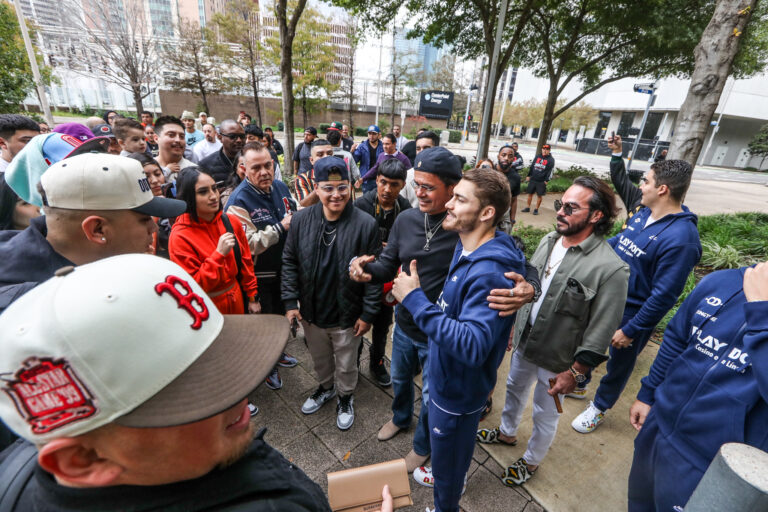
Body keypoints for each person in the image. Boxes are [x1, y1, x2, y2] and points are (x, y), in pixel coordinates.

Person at [0, 254, 332, 511]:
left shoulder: (16, 472)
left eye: (222, 362)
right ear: (83, 460)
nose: (242, 394)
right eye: (190, 394)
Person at [349, 147, 538, 473]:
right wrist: (366, 270)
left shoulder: (466, 227)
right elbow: (389, 264)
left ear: (453, 189)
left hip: (442, 338)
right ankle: (399, 417)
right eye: (416, 184)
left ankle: (421, 447)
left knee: (434, 397)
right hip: (406, 325)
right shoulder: (406, 218)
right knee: (400, 379)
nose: (417, 192)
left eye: (428, 187)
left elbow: (515, 256)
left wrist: (530, 287)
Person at [0, 153, 185, 450]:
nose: (154, 229)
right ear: (97, 230)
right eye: (142, 219)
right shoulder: (23, 316)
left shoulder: (96, 266)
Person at [477, 177, 629, 486]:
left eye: (571, 208)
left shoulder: (611, 269)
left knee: (546, 414)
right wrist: (512, 327)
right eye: (561, 205)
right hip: (525, 341)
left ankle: (531, 462)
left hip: (559, 359)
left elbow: (602, 329)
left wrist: (575, 372)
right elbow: (528, 290)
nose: (560, 212)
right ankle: (506, 433)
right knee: (514, 389)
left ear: (596, 215)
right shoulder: (549, 240)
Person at [393, 168, 525, 512]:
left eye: (459, 199)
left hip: (456, 393)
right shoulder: (468, 246)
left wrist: (414, 299)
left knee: (448, 474)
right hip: (444, 379)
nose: (448, 204)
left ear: (486, 213)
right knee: (453, 455)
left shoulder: (489, 271)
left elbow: (472, 344)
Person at [571, 135, 702, 434]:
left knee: (618, 364)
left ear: (663, 189)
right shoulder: (643, 212)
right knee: (588, 345)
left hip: (633, 314)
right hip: (606, 299)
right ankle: (580, 384)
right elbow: (622, 241)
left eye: (645, 181)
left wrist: (631, 330)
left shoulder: (682, 240)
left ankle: (600, 406)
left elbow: (664, 296)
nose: (640, 186)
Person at [626, 261, 768, 511]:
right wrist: (647, 394)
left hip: (712, 464)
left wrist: (761, 315)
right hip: (657, 430)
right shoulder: (722, 281)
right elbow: (675, 339)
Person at [282, 156, 380, 431]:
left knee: (348, 363)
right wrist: (291, 302)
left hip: (347, 314)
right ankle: (326, 388)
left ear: (350, 187)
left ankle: (346, 397)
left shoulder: (365, 224)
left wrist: (368, 313)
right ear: (316, 187)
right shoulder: (301, 220)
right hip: (312, 312)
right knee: (320, 358)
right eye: (327, 188)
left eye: (342, 187)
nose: (336, 195)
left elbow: (374, 274)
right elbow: (289, 261)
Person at [225, 142, 298, 390]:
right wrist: (281, 228)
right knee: (263, 326)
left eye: (269, 164)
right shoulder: (238, 201)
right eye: (257, 167)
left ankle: (278, 355)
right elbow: (246, 245)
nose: (265, 171)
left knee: (280, 319)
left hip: (284, 271)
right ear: (244, 169)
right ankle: (266, 368)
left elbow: (294, 212)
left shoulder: (279, 186)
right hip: (259, 278)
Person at [169, 167, 260, 316]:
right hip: (205, 309)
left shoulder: (230, 221)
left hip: (237, 301)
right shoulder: (179, 236)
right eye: (203, 192)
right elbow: (193, 286)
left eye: (214, 188)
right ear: (188, 197)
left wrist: (252, 296)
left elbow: (246, 262)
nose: (213, 196)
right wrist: (218, 255)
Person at [354, 159, 411, 387]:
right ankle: (354, 362)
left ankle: (377, 362)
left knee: (382, 323)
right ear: (376, 180)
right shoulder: (361, 205)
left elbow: (410, 244)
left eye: (394, 184)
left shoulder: (406, 209)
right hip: (364, 275)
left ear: (402, 185)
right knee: (358, 322)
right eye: (383, 182)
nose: (388, 189)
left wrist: (395, 249)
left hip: (389, 278)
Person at [126, 152, 171, 258]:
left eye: (157, 174)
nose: (155, 181)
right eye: (146, 177)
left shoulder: (176, 203)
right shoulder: (128, 214)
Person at [199, 120, 245, 185]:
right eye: (232, 136)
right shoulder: (205, 165)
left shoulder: (252, 160)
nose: (239, 140)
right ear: (220, 137)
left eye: (242, 136)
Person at [400, 130, 439, 208]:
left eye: (426, 148)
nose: (421, 152)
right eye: (418, 149)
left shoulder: (444, 175)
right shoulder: (407, 175)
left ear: (437, 148)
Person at [154, 115, 196, 180]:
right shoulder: (144, 169)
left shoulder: (195, 171)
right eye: (171, 135)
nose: (178, 140)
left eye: (182, 136)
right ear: (156, 138)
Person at [295, 139, 334, 207]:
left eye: (329, 154)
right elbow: (304, 205)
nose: (326, 157)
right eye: (320, 154)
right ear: (312, 160)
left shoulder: (342, 177)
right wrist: (323, 183)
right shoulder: (303, 179)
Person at [521, 144, 554, 215]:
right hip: (533, 179)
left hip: (541, 181)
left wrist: (546, 180)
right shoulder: (538, 156)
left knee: (539, 195)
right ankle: (527, 207)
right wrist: (529, 175)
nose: (545, 150)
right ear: (542, 149)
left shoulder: (551, 160)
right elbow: (532, 166)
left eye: (547, 149)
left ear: (549, 150)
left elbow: (550, 171)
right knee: (530, 194)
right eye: (544, 149)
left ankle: (536, 209)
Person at [353, 125, 383, 191]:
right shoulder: (362, 146)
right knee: (367, 200)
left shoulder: (383, 147)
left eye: (374, 134)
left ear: (378, 135)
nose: (371, 136)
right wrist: (352, 152)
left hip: (380, 179)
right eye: (369, 133)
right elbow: (354, 161)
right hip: (366, 180)